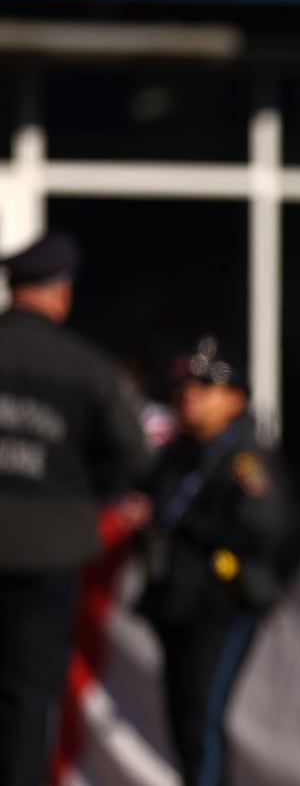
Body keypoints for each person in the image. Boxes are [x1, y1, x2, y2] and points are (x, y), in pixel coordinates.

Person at [0, 232, 150, 786]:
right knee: (29, 693)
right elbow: (135, 463)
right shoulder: (86, 369)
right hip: (48, 551)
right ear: (60, 293)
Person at [136, 336, 290, 786]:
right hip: (175, 602)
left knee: (202, 717)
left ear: (235, 398)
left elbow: (266, 529)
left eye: (204, 388)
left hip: (220, 602)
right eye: (184, 388)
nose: (189, 397)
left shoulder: (245, 458)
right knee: (183, 720)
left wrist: (189, 523)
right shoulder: (175, 455)